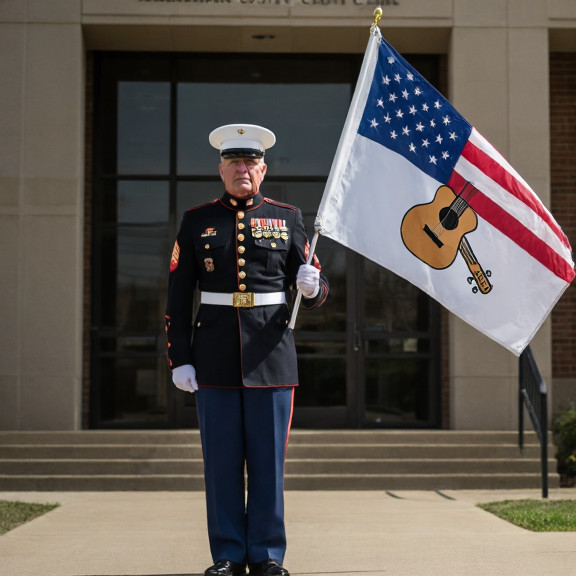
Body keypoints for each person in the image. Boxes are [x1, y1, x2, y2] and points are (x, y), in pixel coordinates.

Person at [164, 124, 328, 576]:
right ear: (221, 169)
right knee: (220, 465)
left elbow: (318, 286)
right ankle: (228, 555)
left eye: (249, 162)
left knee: (267, 464)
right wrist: (180, 358)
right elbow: (178, 298)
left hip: (271, 357)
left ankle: (268, 555)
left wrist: (312, 288)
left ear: (263, 169)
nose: (242, 169)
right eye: (233, 162)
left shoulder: (289, 216)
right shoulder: (196, 221)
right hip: (213, 356)